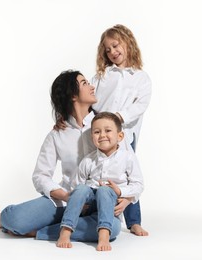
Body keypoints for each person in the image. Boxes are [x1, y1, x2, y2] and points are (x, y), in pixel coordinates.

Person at [0, 70, 128, 242]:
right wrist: (66, 196)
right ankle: (13, 219)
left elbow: (129, 166)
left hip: (101, 203)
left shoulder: (106, 125)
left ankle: (40, 232)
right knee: (13, 220)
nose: (92, 86)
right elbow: (40, 175)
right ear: (73, 95)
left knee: (114, 228)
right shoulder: (57, 134)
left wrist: (127, 199)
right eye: (85, 83)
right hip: (66, 201)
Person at [90, 24, 152, 236]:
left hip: (125, 134)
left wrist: (119, 117)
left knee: (128, 174)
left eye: (115, 46)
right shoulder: (102, 75)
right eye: (107, 50)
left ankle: (133, 221)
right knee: (97, 169)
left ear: (128, 43)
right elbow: (92, 100)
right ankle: (97, 213)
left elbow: (140, 105)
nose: (112, 52)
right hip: (101, 132)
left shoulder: (141, 78)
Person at [56, 112, 144, 251]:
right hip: (90, 203)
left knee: (104, 190)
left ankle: (104, 234)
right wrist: (79, 201)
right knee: (81, 188)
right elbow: (75, 185)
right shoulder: (88, 160)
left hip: (111, 202)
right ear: (92, 138)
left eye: (108, 131)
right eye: (97, 132)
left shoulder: (127, 158)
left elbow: (138, 184)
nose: (102, 135)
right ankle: (66, 230)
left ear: (120, 136)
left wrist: (121, 191)